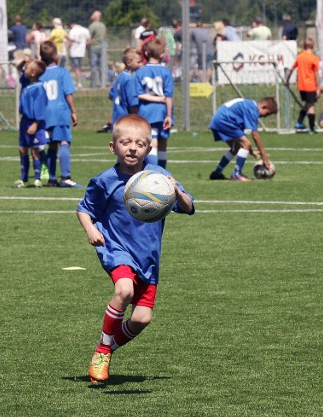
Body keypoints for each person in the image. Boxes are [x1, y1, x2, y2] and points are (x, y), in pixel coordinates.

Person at [77, 114, 195, 384]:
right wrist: (91, 229)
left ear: (149, 149)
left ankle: (104, 348)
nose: (132, 148)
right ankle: (104, 352)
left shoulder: (160, 178)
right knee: (124, 290)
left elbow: (188, 208)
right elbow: (84, 209)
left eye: (140, 144)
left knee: (142, 318)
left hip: (148, 257)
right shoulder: (105, 180)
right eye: (126, 142)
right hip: (116, 249)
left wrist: (177, 191)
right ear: (113, 146)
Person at [39, 40, 80, 188]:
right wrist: (74, 111)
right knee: (63, 142)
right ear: (56, 57)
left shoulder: (40, 74)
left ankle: (51, 179)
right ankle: (65, 177)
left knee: (52, 146)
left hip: (45, 114)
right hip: (60, 112)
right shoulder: (62, 72)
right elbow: (68, 93)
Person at [208, 96, 278, 181]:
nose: (265, 117)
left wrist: (251, 151)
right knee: (246, 144)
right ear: (263, 107)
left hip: (219, 119)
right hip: (225, 120)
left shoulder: (249, 105)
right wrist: (264, 157)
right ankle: (237, 174)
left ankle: (217, 173)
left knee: (236, 147)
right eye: (267, 114)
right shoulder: (252, 110)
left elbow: (245, 136)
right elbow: (255, 136)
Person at [136, 37, 173, 168]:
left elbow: (139, 94)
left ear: (146, 53)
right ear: (162, 55)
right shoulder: (166, 72)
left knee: (153, 143)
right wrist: (169, 115)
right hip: (162, 111)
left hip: (147, 112)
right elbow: (169, 96)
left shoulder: (140, 72)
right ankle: (161, 173)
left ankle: (156, 174)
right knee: (162, 144)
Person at [13, 60, 48, 189]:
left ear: (33, 73)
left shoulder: (39, 88)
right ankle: (23, 178)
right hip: (25, 121)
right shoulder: (27, 83)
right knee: (22, 149)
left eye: (27, 68)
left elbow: (41, 107)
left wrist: (35, 124)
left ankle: (38, 179)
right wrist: (24, 61)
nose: (25, 69)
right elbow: (18, 68)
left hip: (35, 123)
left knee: (35, 151)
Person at [285, 38, 321, 132]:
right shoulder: (314, 58)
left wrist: (287, 80)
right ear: (312, 46)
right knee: (311, 106)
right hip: (310, 85)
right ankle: (312, 128)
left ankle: (299, 123)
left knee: (307, 104)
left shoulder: (299, 57)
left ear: (304, 46)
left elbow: (291, 69)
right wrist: (318, 88)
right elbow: (316, 74)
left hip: (301, 86)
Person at [108, 48, 141, 126]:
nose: (140, 64)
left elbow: (111, 95)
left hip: (117, 118)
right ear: (129, 62)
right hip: (127, 120)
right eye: (138, 62)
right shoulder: (130, 79)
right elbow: (133, 103)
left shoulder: (120, 77)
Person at [66, 21, 90, 88]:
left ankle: (78, 82)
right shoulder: (85, 30)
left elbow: (70, 41)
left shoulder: (72, 31)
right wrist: (84, 45)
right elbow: (89, 39)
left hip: (74, 52)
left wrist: (67, 47)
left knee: (76, 68)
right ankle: (78, 81)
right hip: (82, 51)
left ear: (71, 24)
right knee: (79, 67)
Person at [88, 10, 106, 88]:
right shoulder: (103, 25)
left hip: (94, 47)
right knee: (102, 65)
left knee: (93, 65)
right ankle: (103, 82)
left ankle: (94, 83)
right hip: (102, 47)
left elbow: (89, 38)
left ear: (95, 16)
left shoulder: (92, 26)